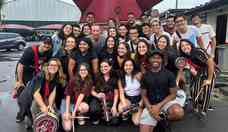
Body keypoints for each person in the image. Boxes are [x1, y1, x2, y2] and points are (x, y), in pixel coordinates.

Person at [140, 50, 184, 132]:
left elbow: (173, 94)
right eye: (153, 58)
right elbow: (144, 95)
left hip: (166, 102)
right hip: (151, 105)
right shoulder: (145, 76)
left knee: (178, 112)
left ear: (162, 60)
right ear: (149, 60)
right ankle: (157, 120)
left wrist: (158, 106)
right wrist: (150, 109)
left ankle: (163, 119)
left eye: (158, 58)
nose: (155, 60)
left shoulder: (169, 74)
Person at [13, 37, 53, 123]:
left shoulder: (49, 52)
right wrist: (19, 81)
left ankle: (28, 114)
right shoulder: (30, 51)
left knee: (31, 94)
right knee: (22, 95)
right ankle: (21, 114)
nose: (46, 47)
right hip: (23, 71)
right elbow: (20, 66)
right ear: (41, 43)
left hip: (34, 72)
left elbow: (46, 64)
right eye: (44, 44)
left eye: (48, 46)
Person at [179, 39, 215, 116]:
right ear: (180, 48)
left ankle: (204, 110)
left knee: (206, 88)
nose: (185, 47)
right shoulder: (183, 56)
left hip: (208, 70)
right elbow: (185, 67)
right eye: (182, 46)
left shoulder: (198, 51)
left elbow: (210, 62)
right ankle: (195, 107)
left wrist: (209, 79)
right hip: (198, 71)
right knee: (194, 90)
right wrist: (191, 69)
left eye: (187, 44)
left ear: (191, 45)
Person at [62, 63, 93, 130]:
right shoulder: (73, 80)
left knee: (85, 107)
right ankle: (66, 115)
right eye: (81, 70)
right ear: (78, 71)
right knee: (67, 128)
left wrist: (74, 111)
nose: (83, 71)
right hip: (67, 102)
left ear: (88, 71)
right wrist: (67, 111)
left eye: (85, 70)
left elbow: (81, 96)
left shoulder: (89, 81)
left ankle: (79, 114)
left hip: (77, 102)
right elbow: (68, 95)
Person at [90, 60, 119, 125]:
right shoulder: (97, 76)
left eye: (105, 66)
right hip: (98, 99)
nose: (103, 68)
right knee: (94, 109)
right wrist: (97, 95)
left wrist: (114, 106)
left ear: (110, 67)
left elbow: (116, 93)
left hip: (109, 100)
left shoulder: (114, 78)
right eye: (101, 67)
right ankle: (97, 117)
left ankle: (106, 116)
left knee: (115, 122)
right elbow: (91, 90)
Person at [118, 59, 143, 125]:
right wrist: (124, 105)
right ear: (123, 67)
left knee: (136, 122)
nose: (128, 67)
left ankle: (134, 112)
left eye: (130, 65)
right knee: (121, 109)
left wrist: (141, 102)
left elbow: (144, 90)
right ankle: (129, 113)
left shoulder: (138, 75)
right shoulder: (121, 77)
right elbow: (121, 93)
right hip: (128, 99)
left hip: (138, 99)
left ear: (133, 66)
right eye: (126, 65)